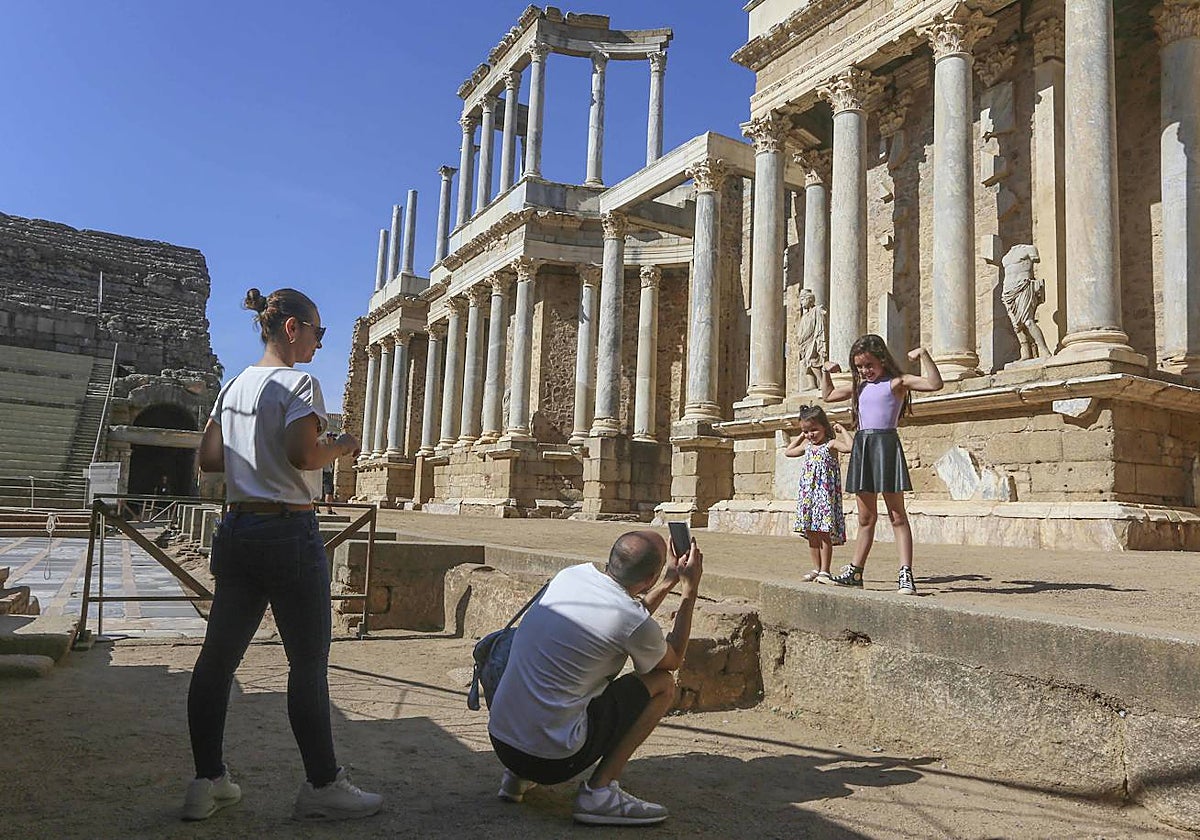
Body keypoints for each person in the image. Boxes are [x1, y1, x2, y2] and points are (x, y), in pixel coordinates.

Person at [183, 287, 382, 822]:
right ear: (292, 328)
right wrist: (341, 444)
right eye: (318, 331)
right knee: (308, 665)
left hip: (238, 527)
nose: (320, 342)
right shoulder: (299, 382)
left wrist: (252, 458)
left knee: (218, 661)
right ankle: (322, 784)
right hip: (289, 531)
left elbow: (207, 459)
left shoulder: (234, 385)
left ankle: (207, 780)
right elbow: (303, 454)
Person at [487, 530, 703, 826]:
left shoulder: (571, 576)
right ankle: (599, 793)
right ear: (649, 578)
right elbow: (673, 657)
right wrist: (690, 589)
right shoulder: (631, 620)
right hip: (552, 762)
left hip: (502, 742)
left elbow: (626, 617)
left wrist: (668, 581)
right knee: (662, 684)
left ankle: (516, 778)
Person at [816, 334, 943, 595]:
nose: (864, 371)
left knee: (897, 515)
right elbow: (827, 395)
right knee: (865, 517)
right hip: (863, 447)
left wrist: (924, 355)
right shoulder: (859, 387)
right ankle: (856, 571)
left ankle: (906, 573)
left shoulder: (897, 382)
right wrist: (825, 372)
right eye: (859, 367)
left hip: (885, 446)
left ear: (882, 360)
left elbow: (935, 383)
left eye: (869, 365)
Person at [784, 404, 852, 583]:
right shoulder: (807, 447)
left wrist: (842, 429)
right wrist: (801, 435)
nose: (810, 435)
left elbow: (849, 447)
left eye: (814, 430)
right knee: (811, 534)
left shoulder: (830, 445)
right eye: (806, 431)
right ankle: (816, 568)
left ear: (824, 426)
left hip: (824, 497)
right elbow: (788, 452)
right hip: (809, 496)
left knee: (823, 533)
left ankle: (825, 570)